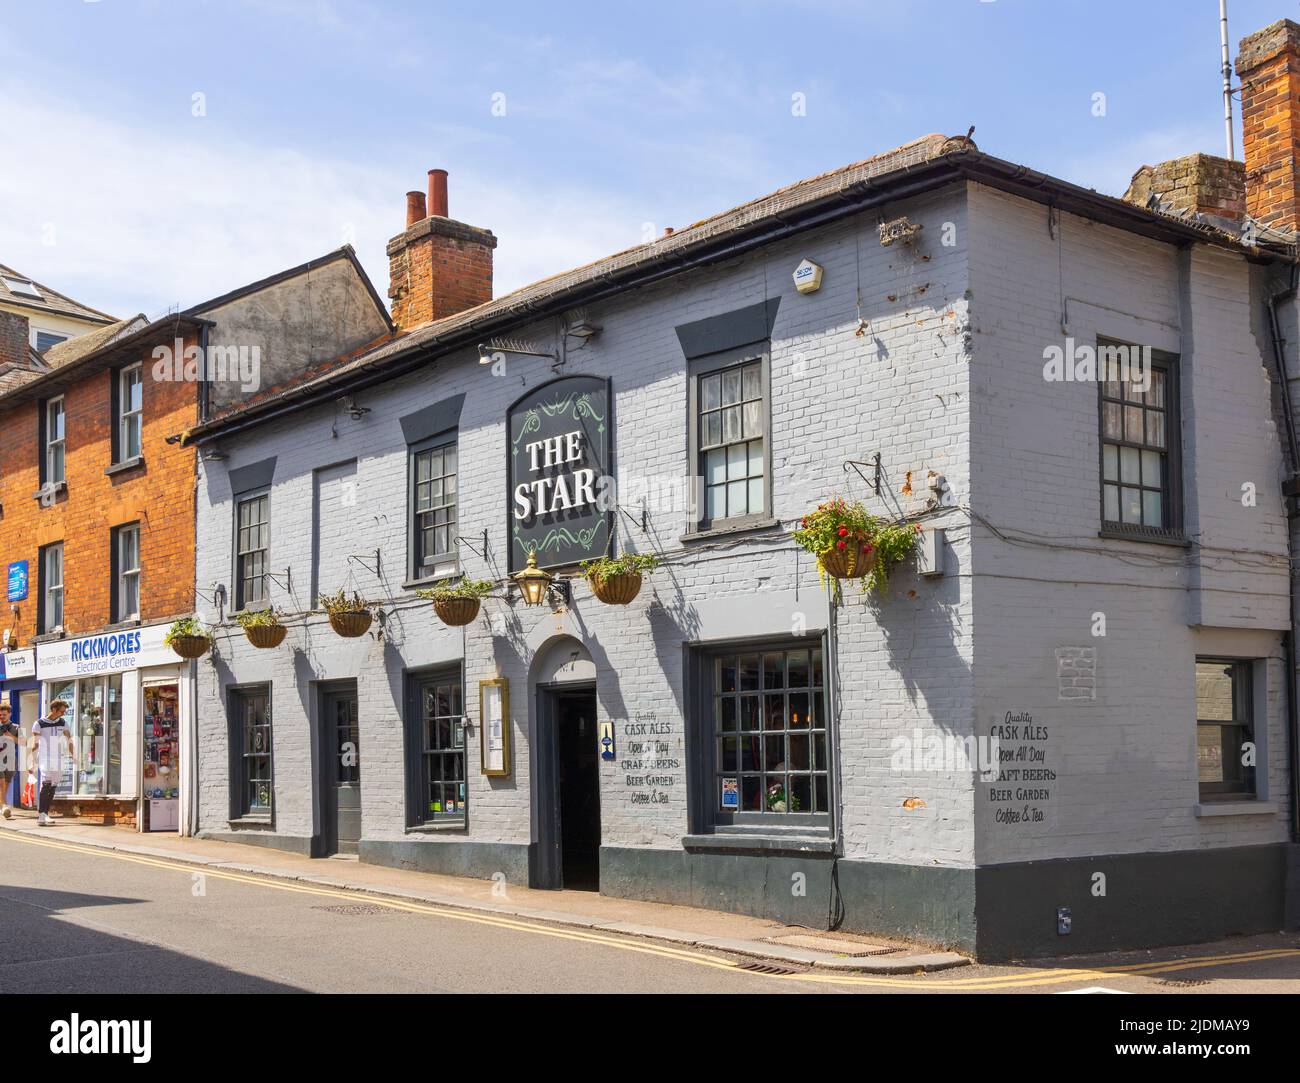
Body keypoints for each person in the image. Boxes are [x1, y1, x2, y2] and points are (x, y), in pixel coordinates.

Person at [28, 700, 73, 826]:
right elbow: (35, 744)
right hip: (44, 757)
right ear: (53, 709)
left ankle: (45, 813)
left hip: (58, 758)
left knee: (53, 785)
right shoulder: (39, 724)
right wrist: (32, 762)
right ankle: (41, 815)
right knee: (46, 783)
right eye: (61, 711)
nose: (63, 714)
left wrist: (75, 756)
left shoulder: (63, 722)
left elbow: (69, 740)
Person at [0, 703, 20, 819]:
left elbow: (24, 742)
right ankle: (4, 806)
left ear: (10, 714)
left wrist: (10, 736)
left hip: (11, 759)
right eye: (0, 715)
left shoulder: (16, 727)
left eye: (4, 714)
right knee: (1, 783)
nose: (2, 717)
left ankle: (2, 805)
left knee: (6, 784)